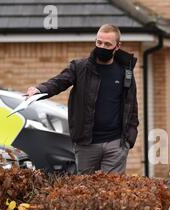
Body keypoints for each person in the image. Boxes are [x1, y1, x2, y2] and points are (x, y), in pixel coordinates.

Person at [26, 24, 138, 175]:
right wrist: (40, 90)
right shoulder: (79, 67)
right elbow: (59, 82)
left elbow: (132, 107)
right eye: (99, 42)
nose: (102, 47)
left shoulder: (125, 73)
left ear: (117, 46)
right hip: (86, 144)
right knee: (85, 193)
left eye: (107, 44)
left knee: (113, 194)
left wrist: (128, 140)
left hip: (115, 144)